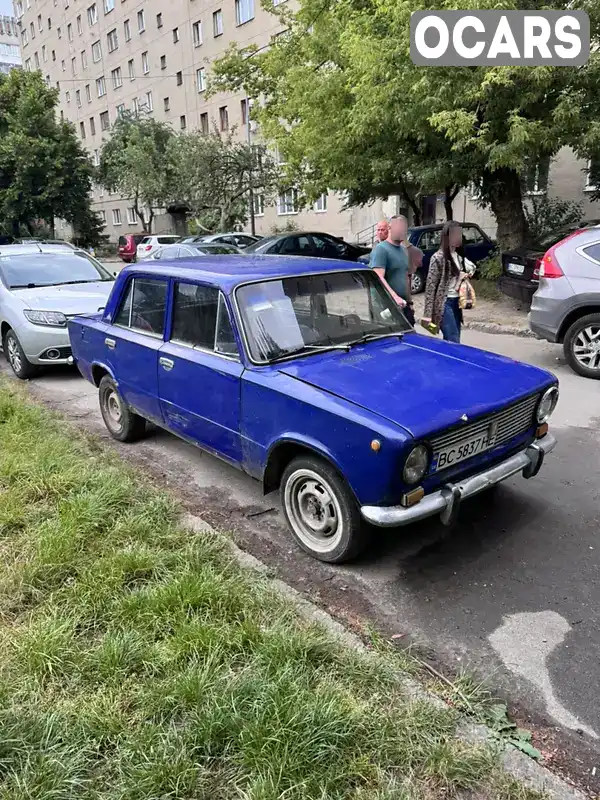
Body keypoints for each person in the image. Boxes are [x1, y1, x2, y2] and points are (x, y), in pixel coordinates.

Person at [422, 221, 475, 343]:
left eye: (460, 234)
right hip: (444, 304)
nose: (459, 237)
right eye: (456, 234)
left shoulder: (459, 256)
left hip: (457, 302)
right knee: (453, 338)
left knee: (455, 338)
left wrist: (464, 277)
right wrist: (427, 314)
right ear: (447, 236)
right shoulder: (437, 257)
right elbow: (430, 287)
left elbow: (459, 279)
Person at [370, 215, 415, 324]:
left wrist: (410, 303)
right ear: (390, 228)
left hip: (403, 305)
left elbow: (406, 277)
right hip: (386, 306)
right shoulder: (381, 249)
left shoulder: (404, 250)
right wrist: (395, 297)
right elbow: (378, 277)